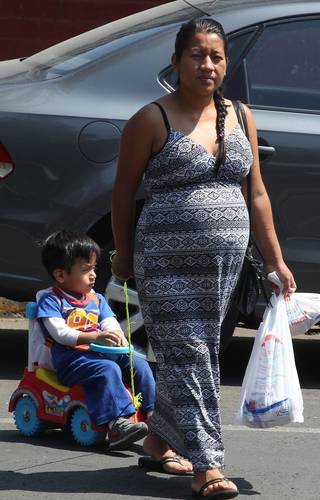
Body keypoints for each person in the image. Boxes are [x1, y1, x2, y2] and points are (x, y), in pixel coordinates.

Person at [111, 18, 296, 498]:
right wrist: (124, 256)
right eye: (196, 55)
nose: (207, 65)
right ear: (175, 62)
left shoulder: (241, 115)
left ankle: (157, 439)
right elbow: (123, 193)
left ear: (226, 64)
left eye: (216, 56)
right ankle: (208, 467)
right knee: (192, 355)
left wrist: (276, 260)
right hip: (164, 262)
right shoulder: (151, 119)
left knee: (196, 354)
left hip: (221, 268)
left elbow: (256, 194)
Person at [36, 229, 156, 449]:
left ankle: (153, 412)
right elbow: (60, 333)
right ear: (61, 275)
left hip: (100, 352)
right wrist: (94, 336)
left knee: (139, 364)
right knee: (107, 370)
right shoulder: (51, 300)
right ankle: (117, 424)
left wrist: (116, 334)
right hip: (72, 360)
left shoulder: (96, 299)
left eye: (94, 268)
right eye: (85, 270)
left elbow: (108, 321)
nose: (93, 275)